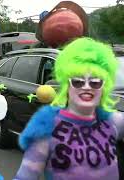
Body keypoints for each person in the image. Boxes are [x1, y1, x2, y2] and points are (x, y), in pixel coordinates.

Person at [14, 38, 124, 179]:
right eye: (78, 81)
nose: (86, 87)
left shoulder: (113, 122)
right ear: (67, 86)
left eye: (95, 82)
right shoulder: (47, 129)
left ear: (104, 87)